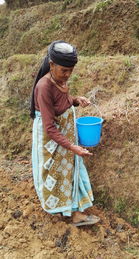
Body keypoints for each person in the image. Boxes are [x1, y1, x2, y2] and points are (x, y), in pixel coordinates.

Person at [30, 40, 100, 226]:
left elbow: (62, 100)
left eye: (71, 70)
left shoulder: (59, 80)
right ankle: (68, 214)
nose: (68, 75)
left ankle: (74, 209)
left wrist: (76, 100)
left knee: (69, 172)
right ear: (52, 65)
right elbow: (49, 126)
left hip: (65, 139)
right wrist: (72, 147)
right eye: (64, 70)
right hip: (51, 141)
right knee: (57, 174)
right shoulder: (43, 87)